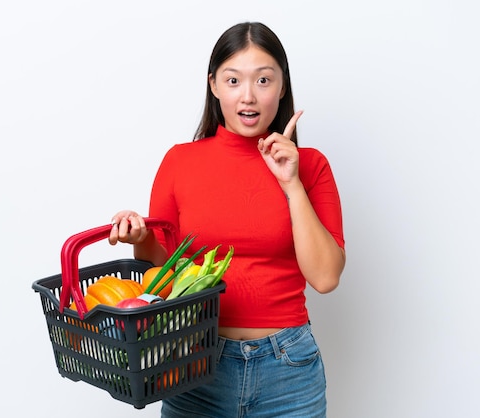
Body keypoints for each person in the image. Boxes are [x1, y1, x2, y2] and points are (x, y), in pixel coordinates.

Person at [109, 21, 345, 418]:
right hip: (194, 362)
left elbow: (325, 278)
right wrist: (141, 236)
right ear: (214, 85)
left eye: (263, 80)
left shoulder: (312, 166)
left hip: (288, 370)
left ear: (282, 86)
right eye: (233, 80)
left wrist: (292, 184)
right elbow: (162, 276)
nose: (248, 96)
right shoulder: (180, 162)